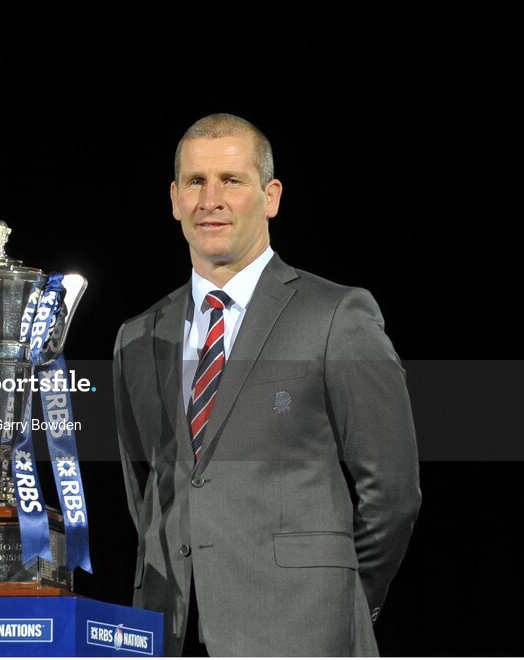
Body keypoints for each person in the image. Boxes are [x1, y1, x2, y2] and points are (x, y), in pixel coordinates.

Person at [113, 113, 421, 656]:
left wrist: (343, 600)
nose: (211, 200)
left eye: (231, 180)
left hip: (306, 634)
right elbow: (146, 496)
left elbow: (392, 495)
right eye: (195, 182)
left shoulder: (337, 316)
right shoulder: (136, 337)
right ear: (175, 199)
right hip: (168, 631)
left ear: (270, 196)